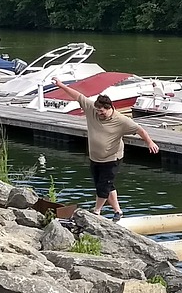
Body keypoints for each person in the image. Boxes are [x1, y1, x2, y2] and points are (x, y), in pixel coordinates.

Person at [51, 77, 159, 221]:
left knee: (103, 187)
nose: (99, 113)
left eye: (101, 111)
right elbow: (77, 95)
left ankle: (96, 212)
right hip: (95, 158)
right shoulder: (92, 109)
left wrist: (150, 142)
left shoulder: (121, 121)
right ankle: (118, 211)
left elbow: (140, 130)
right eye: (97, 110)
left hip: (111, 159)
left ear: (110, 108)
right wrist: (61, 84)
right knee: (107, 186)